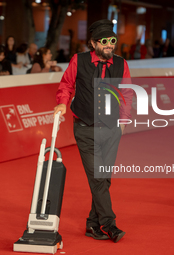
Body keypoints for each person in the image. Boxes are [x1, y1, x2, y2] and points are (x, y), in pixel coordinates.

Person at [53, 19, 133, 243]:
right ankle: (109, 224)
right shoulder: (79, 60)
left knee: (104, 179)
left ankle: (91, 224)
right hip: (85, 129)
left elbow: (126, 93)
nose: (110, 45)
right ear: (93, 43)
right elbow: (67, 84)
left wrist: (123, 121)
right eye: (105, 41)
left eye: (113, 41)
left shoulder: (121, 63)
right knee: (98, 178)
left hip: (111, 129)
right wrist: (62, 102)